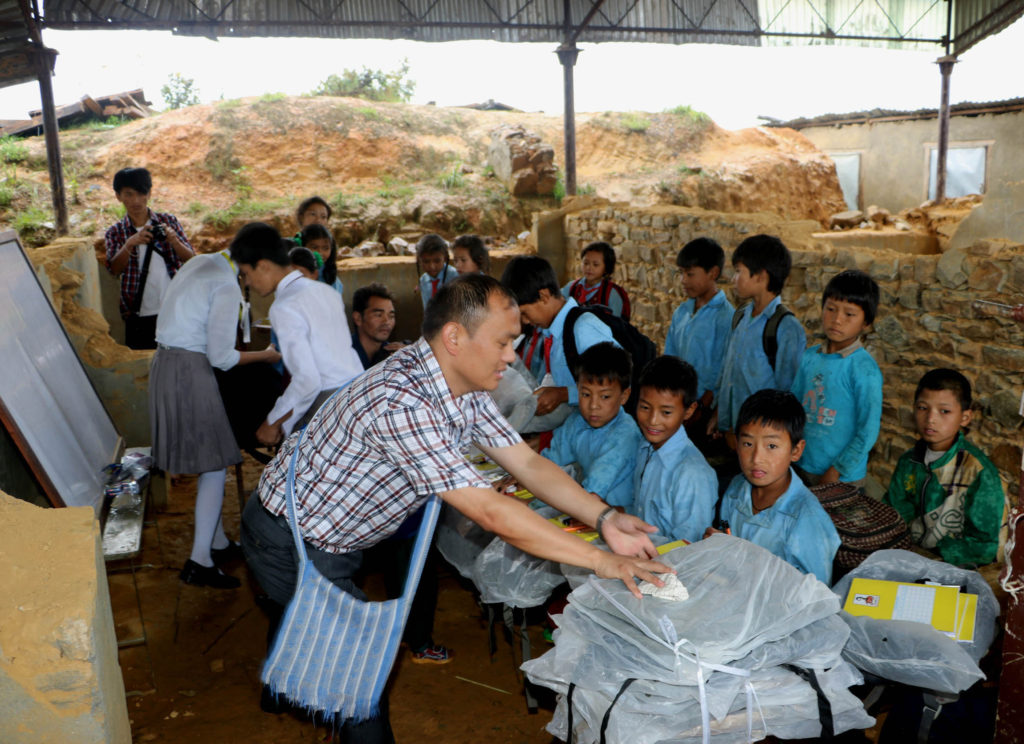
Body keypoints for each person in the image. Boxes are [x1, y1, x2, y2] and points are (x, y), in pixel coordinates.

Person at [240, 274, 668, 740]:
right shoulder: (402, 401)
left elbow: (525, 462)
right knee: (359, 685)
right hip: (289, 537)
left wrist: (603, 517)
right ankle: (294, 680)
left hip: (329, 537)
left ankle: (281, 681)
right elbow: (490, 511)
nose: (512, 356)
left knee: (306, 619)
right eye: (504, 342)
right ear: (455, 337)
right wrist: (600, 560)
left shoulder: (461, 385)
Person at [149, 248, 280, 588]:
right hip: (189, 369)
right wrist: (267, 355)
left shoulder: (202, 261)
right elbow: (222, 357)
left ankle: (217, 542)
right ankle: (199, 561)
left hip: (167, 364)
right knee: (215, 466)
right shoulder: (226, 285)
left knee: (214, 464)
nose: (253, 282)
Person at [230, 223, 362, 445]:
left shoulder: (284, 306)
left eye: (246, 274)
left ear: (262, 266)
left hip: (327, 401)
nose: (248, 282)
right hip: (357, 392)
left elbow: (308, 380)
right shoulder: (325, 291)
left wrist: (272, 421)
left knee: (297, 470)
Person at [706, 389, 841, 585]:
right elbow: (725, 536)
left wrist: (737, 556)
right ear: (735, 444)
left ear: (796, 451)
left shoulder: (807, 518)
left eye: (771, 446)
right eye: (747, 443)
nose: (757, 458)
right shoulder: (736, 489)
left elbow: (814, 594)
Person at [884, 369, 1006, 567]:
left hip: (955, 565)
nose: (931, 419)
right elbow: (894, 512)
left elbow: (984, 545)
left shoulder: (978, 472)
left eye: (944, 411)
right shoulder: (909, 461)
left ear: (965, 418)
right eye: (923, 408)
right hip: (911, 555)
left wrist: (939, 556)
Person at [791, 270, 883, 487]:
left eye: (849, 314)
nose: (837, 320)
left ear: (866, 323)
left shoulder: (863, 369)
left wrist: (837, 469)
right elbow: (793, 407)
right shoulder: (810, 357)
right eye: (831, 309)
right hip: (802, 465)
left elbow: (868, 431)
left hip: (842, 477)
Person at [714, 234, 806, 437]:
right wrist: (720, 415)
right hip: (731, 431)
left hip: (760, 436)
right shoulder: (740, 315)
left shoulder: (785, 327)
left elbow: (787, 392)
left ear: (761, 277)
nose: (733, 278)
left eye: (739, 272)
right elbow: (728, 371)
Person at [501, 255, 617, 416]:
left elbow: (614, 384)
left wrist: (563, 394)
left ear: (544, 296)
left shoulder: (584, 328)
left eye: (525, 313)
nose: (525, 322)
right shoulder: (552, 332)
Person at [542, 343, 642, 508]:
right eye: (586, 394)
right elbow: (550, 464)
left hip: (612, 516)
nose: (593, 405)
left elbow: (591, 494)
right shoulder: (576, 421)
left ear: (624, 396)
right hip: (583, 504)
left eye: (605, 397)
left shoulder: (625, 436)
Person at [630, 355, 718, 542]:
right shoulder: (645, 447)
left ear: (689, 410)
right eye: (645, 407)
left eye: (666, 412)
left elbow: (689, 548)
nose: (653, 420)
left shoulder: (693, 474)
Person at [104, 167, 194, 349]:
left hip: (175, 308)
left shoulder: (168, 222)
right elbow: (114, 270)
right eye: (129, 194)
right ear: (118, 196)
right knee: (145, 368)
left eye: (141, 193)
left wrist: (174, 241)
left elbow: (192, 260)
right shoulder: (116, 232)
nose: (136, 201)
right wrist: (130, 243)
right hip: (139, 312)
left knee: (181, 361)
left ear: (149, 193)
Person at [664, 238, 735, 417]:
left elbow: (723, 369)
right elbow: (669, 357)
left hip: (703, 409)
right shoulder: (681, 312)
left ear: (713, 273)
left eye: (690, 274)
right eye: (681, 273)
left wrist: (702, 407)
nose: (683, 280)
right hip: (676, 403)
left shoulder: (725, 317)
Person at [562, 241, 631, 320]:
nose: (589, 268)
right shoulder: (572, 287)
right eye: (586, 263)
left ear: (606, 268)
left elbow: (616, 326)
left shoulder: (612, 294)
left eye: (595, 265)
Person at [351, 283, 402, 369]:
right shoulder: (342, 356)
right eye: (378, 315)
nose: (387, 321)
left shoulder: (394, 353)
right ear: (358, 318)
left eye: (391, 316)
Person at [299, 223, 343, 299]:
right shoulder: (293, 275)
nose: (320, 253)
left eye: (325, 248)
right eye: (314, 247)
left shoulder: (333, 280)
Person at [416, 233, 458, 310]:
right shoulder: (423, 281)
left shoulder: (455, 277)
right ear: (419, 261)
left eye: (437, 261)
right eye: (426, 261)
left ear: (445, 258)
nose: (432, 266)